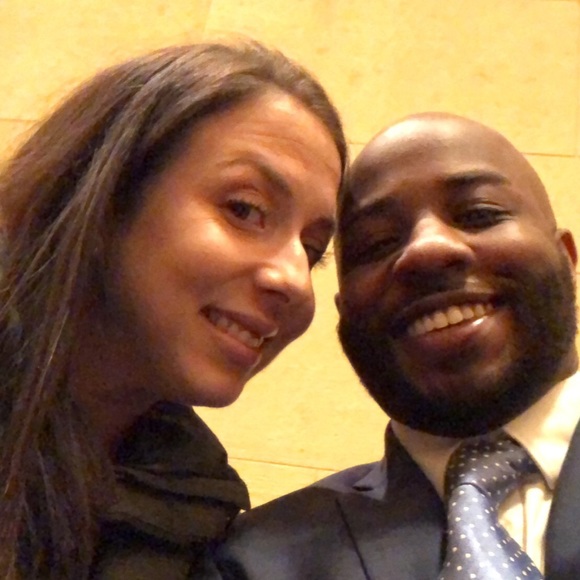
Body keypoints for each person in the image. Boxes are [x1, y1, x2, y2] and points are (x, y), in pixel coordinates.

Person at [0, 41, 347, 579]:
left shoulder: (197, 513)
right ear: (104, 196)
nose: (295, 281)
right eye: (245, 209)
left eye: (313, 249)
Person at [217, 113, 580, 579]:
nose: (427, 249)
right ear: (345, 312)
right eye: (377, 244)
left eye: (479, 214)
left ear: (567, 257)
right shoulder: (256, 559)